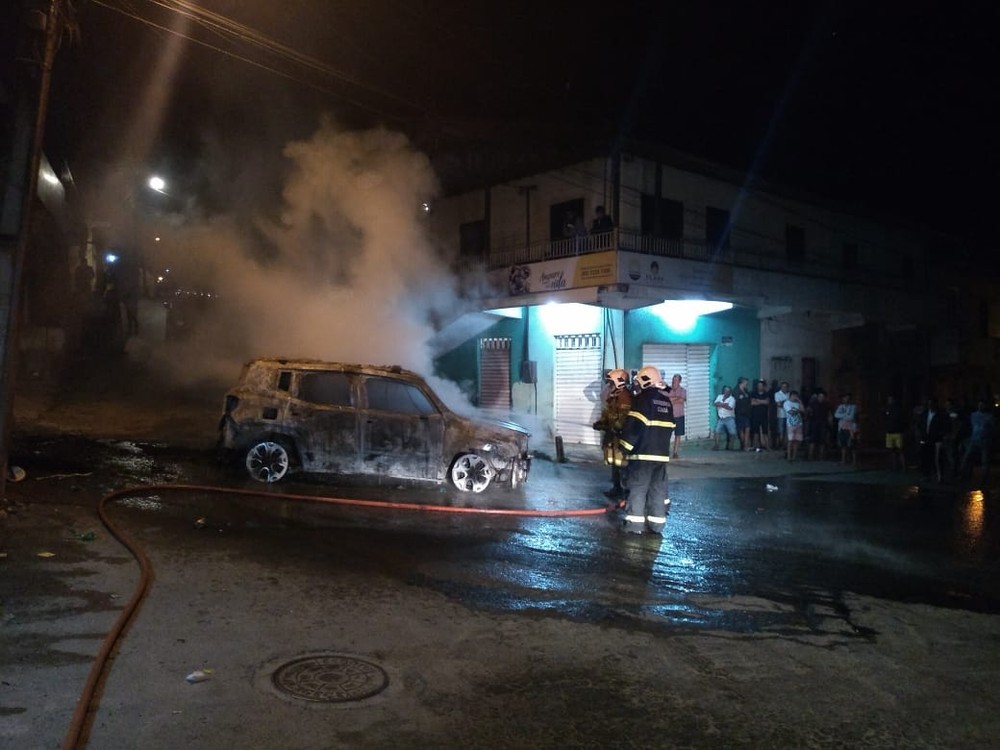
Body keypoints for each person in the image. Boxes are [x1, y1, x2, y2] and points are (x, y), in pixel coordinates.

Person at [619, 365, 675, 535]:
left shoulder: (642, 401)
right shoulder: (666, 402)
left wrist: (624, 447)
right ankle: (657, 525)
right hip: (661, 456)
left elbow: (634, 428)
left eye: (638, 382)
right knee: (657, 489)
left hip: (642, 455)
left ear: (645, 381)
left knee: (638, 488)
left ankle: (634, 525)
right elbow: (671, 427)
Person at [592, 368, 633, 501]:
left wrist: (614, 427)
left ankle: (627, 493)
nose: (609, 385)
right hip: (613, 436)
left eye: (611, 382)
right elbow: (608, 413)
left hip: (622, 437)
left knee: (623, 465)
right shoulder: (614, 396)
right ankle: (617, 488)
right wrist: (601, 423)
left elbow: (624, 418)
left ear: (619, 382)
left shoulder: (625, 397)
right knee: (616, 464)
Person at [959, 399, 994, 483]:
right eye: (979, 405)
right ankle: (964, 476)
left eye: (982, 405)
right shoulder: (973, 415)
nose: (980, 406)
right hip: (974, 439)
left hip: (984, 441)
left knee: (984, 461)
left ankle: (984, 479)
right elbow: (966, 425)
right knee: (967, 458)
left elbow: (993, 429)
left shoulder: (989, 417)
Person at [834, 392, 859, 466]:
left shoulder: (853, 407)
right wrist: (845, 415)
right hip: (842, 427)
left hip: (851, 428)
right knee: (843, 445)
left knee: (852, 445)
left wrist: (843, 416)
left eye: (848, 398)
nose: (846, 400)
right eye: (845, 398)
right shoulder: (841, 406)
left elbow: (851, 417)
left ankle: (854, 461)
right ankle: (843, 460)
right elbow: (836, 415)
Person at [806, 389, 831, 461]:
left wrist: (830, 424)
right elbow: (808, 413)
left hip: (823, 424)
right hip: (813, 424)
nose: (821, 398)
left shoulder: (827, 405)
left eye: (822, 397)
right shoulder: (812, 403)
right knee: (812, 440)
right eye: (820, 396)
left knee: (822, 441)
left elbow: (829, 415)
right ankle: (810, 456)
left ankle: (821, 456)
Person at [883, 394, 906, 471]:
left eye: (891, 399)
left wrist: (902, 429)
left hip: (897, 432)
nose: (889, 401)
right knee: (891, 450)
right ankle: (894, 466)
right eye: (888, 399)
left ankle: (903, 467)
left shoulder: (899, 410)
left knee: (900, 450)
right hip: (889, 432)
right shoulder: (887, 409)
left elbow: (903, 420)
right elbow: (885, 420)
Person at [668, 373, 686, 458]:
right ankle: (666, 451)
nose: (673, 382)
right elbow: (668, 400)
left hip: (679, 415)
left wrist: (672, 399)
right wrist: (676, 398)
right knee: (667, 434)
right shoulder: (668, 390)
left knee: (678, 435)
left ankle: (675, 452)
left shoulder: (683, 390)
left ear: (679, 381)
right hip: (669, 416)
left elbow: (681, 400)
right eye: (673, 380)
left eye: (675, 380)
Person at [713, 385, 737, 450]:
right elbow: (715, 404)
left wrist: (721, 404)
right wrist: (724, 404)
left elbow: (730, 408)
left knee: (732, 433)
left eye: (728, 391)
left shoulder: (732, 399)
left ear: (730, 392)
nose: (726, 392)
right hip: (721, 418)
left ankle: (731, 446)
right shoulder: (719, 396)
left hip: (729, 418)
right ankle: (716, 445)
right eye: (725, 391)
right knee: (716, 431)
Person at [783, 390, 805, 461]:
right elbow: (791, 412)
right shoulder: (787, 403)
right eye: (793, 396)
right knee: (790, 441)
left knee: (796, 441)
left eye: (796, 396)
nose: (795, 397)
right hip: (790, 424)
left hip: (799, 424)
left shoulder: (797, 403)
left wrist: (800, 401)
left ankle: (794, 457)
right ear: (790, 396)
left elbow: (803, 410)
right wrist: (798, 411)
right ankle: (789, 457)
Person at [750, 379, 771, 451]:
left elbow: (767, 402)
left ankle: (767, 446)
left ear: (763, 386)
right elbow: (752, 403)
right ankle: (755, 446)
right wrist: (762, 401)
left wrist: (758, 400)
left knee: (765, 432)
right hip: (755, 415)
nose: (759, 387)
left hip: (764, 416)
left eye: (761, 385)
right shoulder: (753, 393)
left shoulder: (766, 393)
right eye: (758, 385)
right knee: (755, 432)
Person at [734, 377, 752, 451]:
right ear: (742, 382)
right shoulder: (736, 391)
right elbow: (736, 401)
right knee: (741, 429)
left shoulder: (746, 390)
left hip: (746, 413)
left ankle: (746, 444)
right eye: (745, 383)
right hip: (740, 413)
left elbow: (748, 400)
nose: (746, 384)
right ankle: (744, 446)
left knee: (747, 428)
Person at [773, 381, 790, 450]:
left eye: (785, 387)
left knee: (788, 431)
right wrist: (787, 403)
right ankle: (781, 445)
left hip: (789, 415)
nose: (784, 388)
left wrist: (784, 403)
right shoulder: (777, 394)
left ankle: (787, 445)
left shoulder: (790, 394)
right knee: (781, 431)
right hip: (781, 415)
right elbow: (779, 404)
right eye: (783, 387)